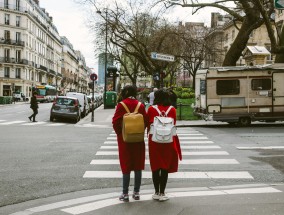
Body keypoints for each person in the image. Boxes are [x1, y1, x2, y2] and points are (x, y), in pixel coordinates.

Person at [112, 85, 147, 202]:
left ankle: (125, 193)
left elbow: (115, 122)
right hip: (138, 139)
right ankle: (136, 192)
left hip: (125, 140)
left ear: (125, 92)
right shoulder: (140, 105)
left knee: (126, 165)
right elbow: (145, 121)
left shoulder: (121, 105)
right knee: (138, 165)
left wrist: (121, 134)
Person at [146, 89, 182, 202]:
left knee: (155, 166)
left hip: (154, 140)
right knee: (165, 166)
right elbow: (174, 124)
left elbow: (147, 124)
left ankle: (156, 192)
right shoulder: (172, 110)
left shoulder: (151, 109)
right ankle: (162, 193)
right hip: (168, 140)